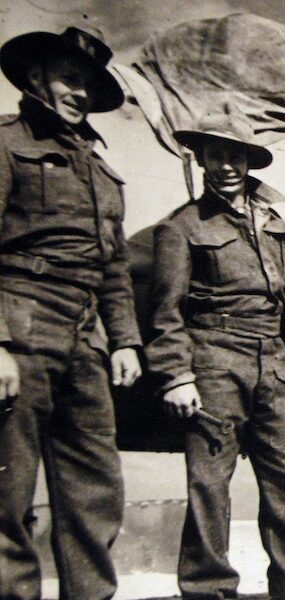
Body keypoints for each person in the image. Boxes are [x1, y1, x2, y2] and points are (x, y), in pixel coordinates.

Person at [146, 106, 285, 600]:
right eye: (216, 155)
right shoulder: (180, 228)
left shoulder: (274, 225)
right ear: (201, 159)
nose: (226, 165)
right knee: (209, 487)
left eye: (235, 156)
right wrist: (177, 375)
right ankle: (208, 591)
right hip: (213, 359)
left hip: (274, 361)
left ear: (249, 162)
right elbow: (166, 312)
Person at [0, 24, 142, 600]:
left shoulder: (101, 170)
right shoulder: (6, 144)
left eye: (87, 84)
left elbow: (113, 267)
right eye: (68, 78)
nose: (78, 93)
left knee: (94, 491)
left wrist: (126, 339)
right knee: (7, 496)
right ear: (36, 79)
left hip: (87, 341)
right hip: (21, 327)